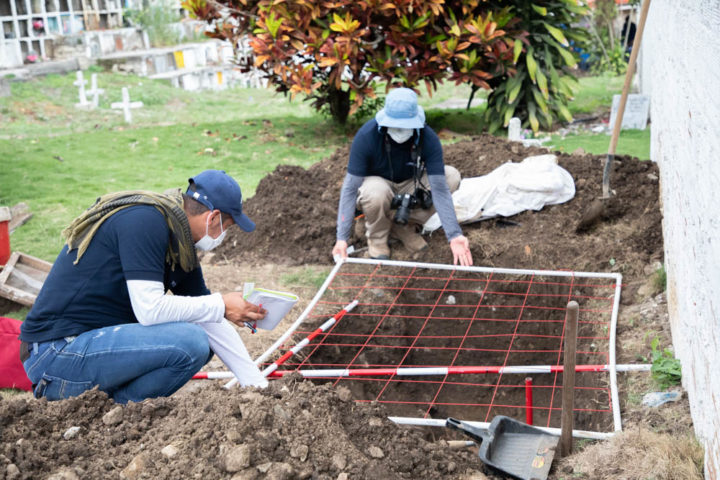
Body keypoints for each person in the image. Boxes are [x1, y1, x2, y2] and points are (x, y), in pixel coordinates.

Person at [19, 170, 268, 403]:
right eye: (228, 227)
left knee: (201, 338)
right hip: (56, 355)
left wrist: (257, 386)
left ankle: (113, 412)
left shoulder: (180, 245)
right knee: (191, 342)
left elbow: (210, 318)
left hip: (89, 349)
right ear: (212, 218)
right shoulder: (145, 221)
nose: (225, 236)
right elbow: (149, 309)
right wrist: (221, 304)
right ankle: (115, 411)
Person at [332, 88, 473, 266]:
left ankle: (402, 226)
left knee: (450, 176)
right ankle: (377, 240)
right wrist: (342, 238)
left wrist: (454, 235)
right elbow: (350, 188)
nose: (400, 131)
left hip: (409, 184)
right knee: (376, 192)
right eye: (395, 125)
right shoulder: (367, 136)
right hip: (377, 186)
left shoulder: (427, 138)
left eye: (405, 126)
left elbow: (439, 189)